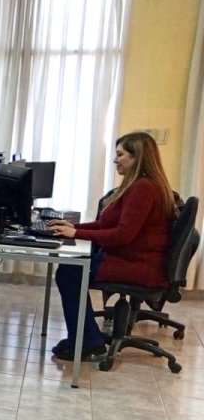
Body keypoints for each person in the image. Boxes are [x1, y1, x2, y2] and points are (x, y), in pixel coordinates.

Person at [48, 131, 176, 361]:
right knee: (70, 269)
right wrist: (73, 226)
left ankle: (87, 342)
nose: (115, 160)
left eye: (120, 154)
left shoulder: (144, 188)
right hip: (133, 259)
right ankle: (86, 338)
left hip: (137, 265)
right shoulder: (140, 185)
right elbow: (106, 224)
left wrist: (76, 233)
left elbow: (123, 235)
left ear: (137, 157)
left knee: (69, 272)